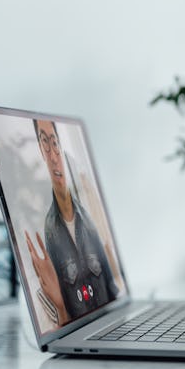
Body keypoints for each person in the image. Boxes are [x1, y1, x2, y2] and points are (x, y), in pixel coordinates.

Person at [25, 119, 119, 326]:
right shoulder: (49, 231)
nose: (53, 155)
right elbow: (64, 324)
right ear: (41, 151)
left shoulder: (88, 219)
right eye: (45, 144)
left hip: (110, 323)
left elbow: (112, 289)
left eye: (55, 143)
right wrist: (58, 304)